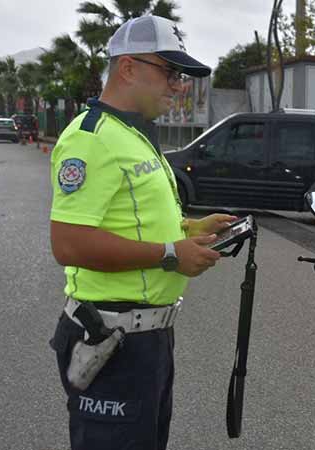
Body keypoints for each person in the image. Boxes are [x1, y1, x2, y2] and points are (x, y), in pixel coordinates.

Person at [48, 16, 235, 450]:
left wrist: (189, 227)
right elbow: (69, 242)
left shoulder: (132, 134)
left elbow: (126, 216)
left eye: (181, 75)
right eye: (170, 72)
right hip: (112, 338)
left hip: (147, 338)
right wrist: (171, 254)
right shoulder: (91, 139)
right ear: (129, 68)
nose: (179, 85)